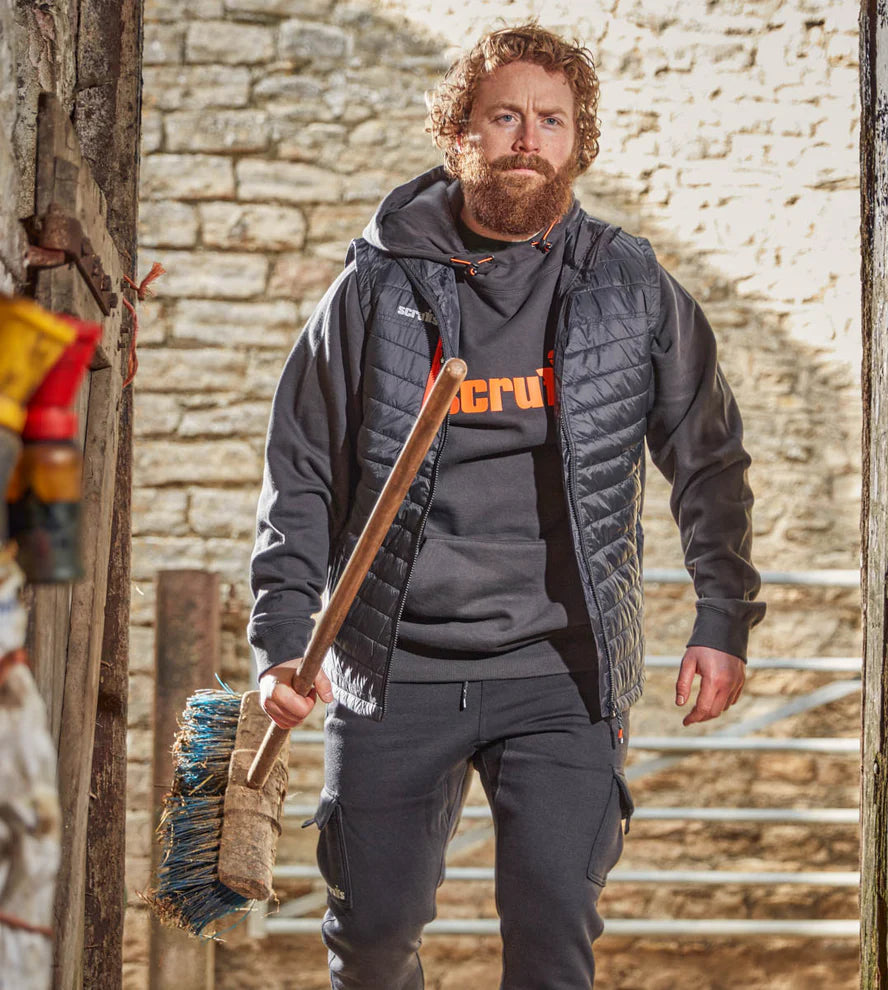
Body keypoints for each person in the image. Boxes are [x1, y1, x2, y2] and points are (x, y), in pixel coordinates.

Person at [248, 21, 765, 989]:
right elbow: (301, 470)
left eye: (551, 121)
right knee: (372, 940)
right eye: (504, 118)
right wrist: (282, 637)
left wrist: (723, 616)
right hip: (394, 666)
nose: (528, 139)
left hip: (561, 671)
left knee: (552, 936)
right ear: (460, 136)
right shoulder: (374, 287)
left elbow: (708, 458)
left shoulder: (629, 285)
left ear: (578, 142)